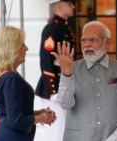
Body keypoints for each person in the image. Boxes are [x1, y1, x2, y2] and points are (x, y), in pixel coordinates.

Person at [51, 21, 117, 141]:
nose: (87, 44)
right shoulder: (71, 68)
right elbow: (65, 104)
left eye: (93, 40)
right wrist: (66, 74)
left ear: (107, 42)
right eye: (83, 40)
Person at [0, 26, 56, 141]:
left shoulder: (3, 76)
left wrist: (38, 113)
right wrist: (43, 117)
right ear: (11, 48)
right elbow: (16, 120)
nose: (26, 48)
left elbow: (11, 113)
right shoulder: (11, 78)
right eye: (22, 44)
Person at [35, 0, 75, 140]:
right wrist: (54, 90)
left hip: (64, 84)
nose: (73, 6)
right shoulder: (52, 28)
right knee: (58, 131)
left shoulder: (64, 27)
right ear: (59, 6)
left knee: (65, 129)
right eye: (69, 4)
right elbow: (46, 60)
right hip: (54, 87)